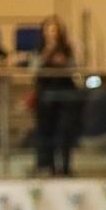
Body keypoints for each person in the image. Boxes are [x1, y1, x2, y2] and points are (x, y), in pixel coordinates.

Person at [32, 14, 80, 176]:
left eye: (55, 30)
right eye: (49, 29)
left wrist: (63, 61)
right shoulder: (39, 49)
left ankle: (65, 165)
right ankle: (49, 166)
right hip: (46, 94)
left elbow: (74, 66)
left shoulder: (67, 48)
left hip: (65, 93)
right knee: (47, 131)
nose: (52, 33)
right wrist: (47, 53)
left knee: (65, 131)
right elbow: (34, 68)